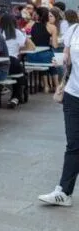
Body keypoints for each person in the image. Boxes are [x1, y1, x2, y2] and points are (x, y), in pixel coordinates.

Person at [39, 18, 79, 206]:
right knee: (73, 144)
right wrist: (61, 60)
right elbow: (68, 59)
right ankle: (64, 192)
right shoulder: (74, 30)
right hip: (73, 94)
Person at [0, 11, 33, 107]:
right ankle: (16, 97)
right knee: (20, 74)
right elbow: (28, 46)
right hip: (13, 61)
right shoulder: (18, 33)